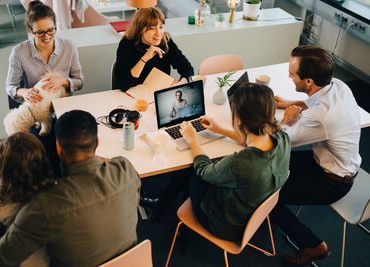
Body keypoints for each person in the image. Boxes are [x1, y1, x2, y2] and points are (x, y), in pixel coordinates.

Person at [0, 110, 141, 266]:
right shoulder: (125, 169)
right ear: (97, 143)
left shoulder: (45, 206)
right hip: (135, 261)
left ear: (58, 148)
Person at [270, 45, 361, 265]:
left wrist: (285, 121)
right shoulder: (337, 85)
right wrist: (290, 103)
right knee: (271, 169)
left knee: (267, 197)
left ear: (309, 81)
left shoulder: (321, 118)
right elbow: (317, 102)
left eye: (292, 74)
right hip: (326, 164)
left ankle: (314, 245)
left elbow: (278, 144)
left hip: (331, 182)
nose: (289, 76)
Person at [180, 82, 290, 241]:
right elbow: (252, 139)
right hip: (253, 214)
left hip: (225, 226)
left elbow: (203, 170)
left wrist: (192, 141)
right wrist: (220, 130)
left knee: (193, 176)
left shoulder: (241, 164)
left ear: (238, 119)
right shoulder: (282, 138)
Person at [0, 132, 54, 267]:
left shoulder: (2, 199)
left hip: (13, 260)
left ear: (3, 169)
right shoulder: (53, 189)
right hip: (47, 260)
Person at [6, 0, 83, 106]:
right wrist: (25, 92)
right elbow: (10, 87)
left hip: (63, 105)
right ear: (30, 30)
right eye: (40, 32)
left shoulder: (69, 47)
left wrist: (63, 81)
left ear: (56, 26)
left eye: (50, 30)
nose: (46, 37)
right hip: (37, 106)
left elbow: (79, 82)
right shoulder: (18, 52)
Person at [115, 7, 194, 92]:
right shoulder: (127, 44)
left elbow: (187, 69)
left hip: (158, 94)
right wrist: (145, 58)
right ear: (140, 29)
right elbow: (123, 84)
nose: (158, 33)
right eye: (152, 28)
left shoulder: (165, 41)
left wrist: (181, 84)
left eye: (161, 27)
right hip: (134, 95)